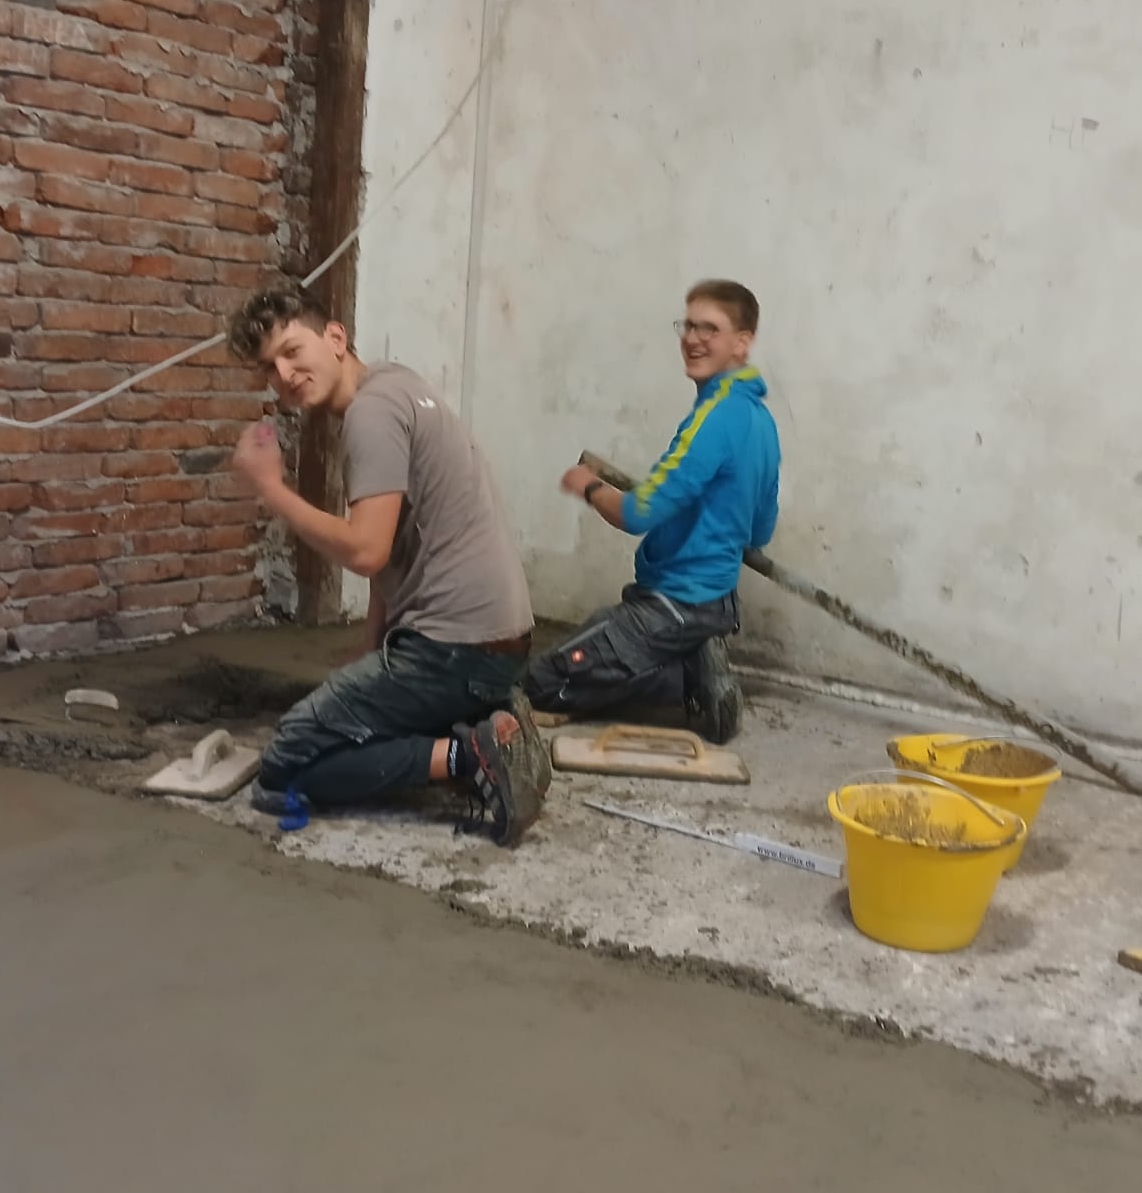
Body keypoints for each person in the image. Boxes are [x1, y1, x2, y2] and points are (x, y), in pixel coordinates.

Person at [225, 284, 550, 846]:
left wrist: (271, 489)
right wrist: (373, 652)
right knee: (357, 720)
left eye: (292, 351)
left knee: (286, 765)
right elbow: (393, 554)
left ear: (335, 337)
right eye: (269, 368)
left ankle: (471, 754)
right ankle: (487, 717)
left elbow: (366, 550)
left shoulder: (370, 415)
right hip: (496, 643)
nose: (284, 375)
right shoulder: (397, 384)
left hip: (453, 650)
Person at [529, 279, 780, 743]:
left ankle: (685, 678)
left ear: (741, 343)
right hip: (716, 602)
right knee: (598, 646)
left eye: (710, 329)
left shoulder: (713, 419)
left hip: (675, 602)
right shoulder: (762, 422)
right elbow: (760, 530)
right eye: (689, 325)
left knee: (540, 681)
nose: (693, 339)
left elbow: (638, 513)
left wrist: (589, 487)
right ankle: (689, 657)